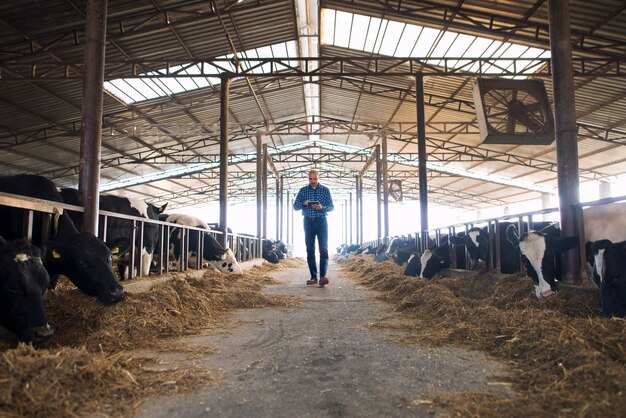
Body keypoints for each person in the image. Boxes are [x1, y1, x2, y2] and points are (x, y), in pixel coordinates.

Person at [293, 169, 334, 286]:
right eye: (310, 179)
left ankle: (323, 278)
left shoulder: (325, 190)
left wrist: (322, 208)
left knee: (323, 250)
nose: (313, 181)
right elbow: (295, 207)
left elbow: (331, 207)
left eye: (315, 178)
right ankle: (313, 277)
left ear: (318, 178)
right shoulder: (303, 191)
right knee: (310, 250)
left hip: (322, 222)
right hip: (308, 222)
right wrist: (304, 203)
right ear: (308, 178)